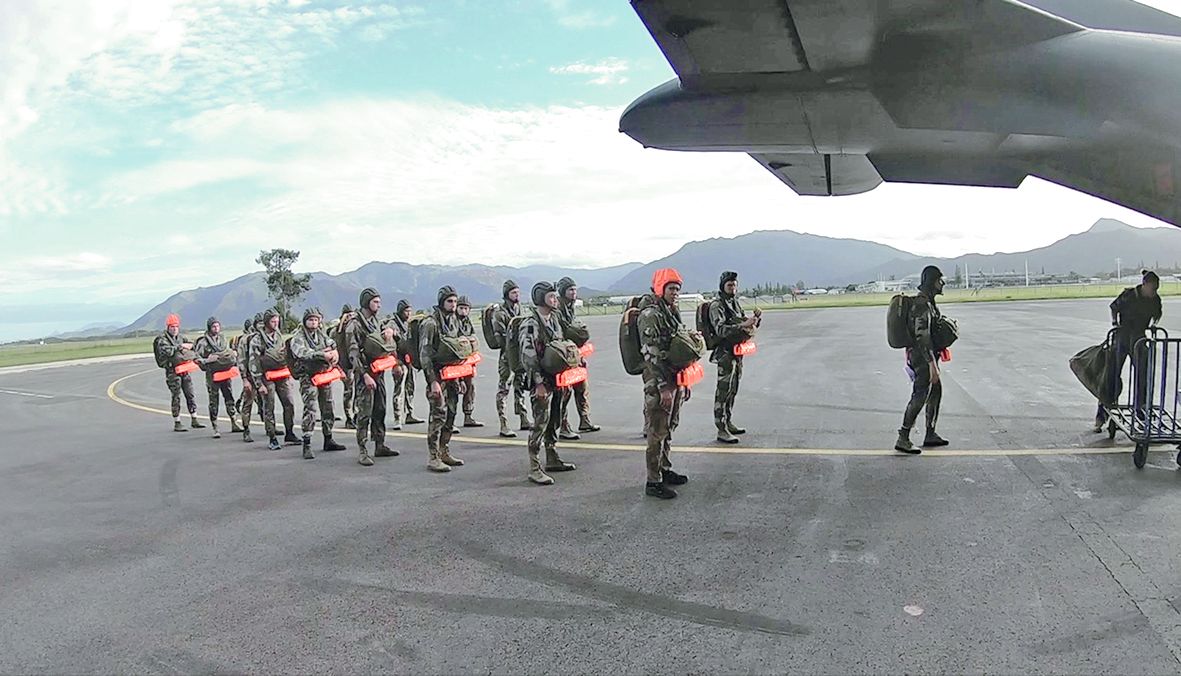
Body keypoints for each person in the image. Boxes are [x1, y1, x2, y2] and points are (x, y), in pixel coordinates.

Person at [639, 269, 690, 499]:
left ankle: (664, 468)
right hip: (658, 380)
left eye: (677, 289)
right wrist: (662, 387)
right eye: (671, 289)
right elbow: (651, 354)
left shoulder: (671, 312)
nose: (675, 293)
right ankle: (653, 481)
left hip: (673, 377)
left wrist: (683, 380)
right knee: (657, 430)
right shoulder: (651, 315)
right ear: (660, 289)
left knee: (669, 426)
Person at [520, 281, 577, 485]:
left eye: (555, 296)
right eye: (551, 296)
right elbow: (528, 356)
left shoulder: (554, 319)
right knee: (539, 423)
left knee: (555, 418)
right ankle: (535, 467)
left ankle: (552, 456)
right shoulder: (531, 323)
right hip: (542, 380)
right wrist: (538, 384)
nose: (555, 299)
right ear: (540, 298)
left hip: (558, 379)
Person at [1095, 269, 1163, 430]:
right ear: (1145, 284)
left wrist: (1153, 325)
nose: (1154, 292)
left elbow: (1158, 314)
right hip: (1122, 337)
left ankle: (1140, 409)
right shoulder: (1128, 295)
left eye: (1156, 289)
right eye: (1152, 288)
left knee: (1143, 375)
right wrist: (1114, 323)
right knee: (1111, 375)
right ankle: (1102, 413)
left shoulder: (1155, 300)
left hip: (1139, 337)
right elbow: (1113, 307)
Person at [895, 265, 948, 454]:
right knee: (921, 393)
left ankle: (930, 433)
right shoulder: (922, 304)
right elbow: (921, 336)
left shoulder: (929, 302)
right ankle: (903, 436)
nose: (942, 284)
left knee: (936, 390)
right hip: (922, 356)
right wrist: (931, 363)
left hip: (928, 354)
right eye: (940, 280)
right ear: (932, 282)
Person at [348, 287, 400, 466]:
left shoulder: (377, 322)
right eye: (375, 301)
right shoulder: (354, 325)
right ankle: (362, 450)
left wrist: (394, 362)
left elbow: (387, 344)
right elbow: (353, 354)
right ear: (366, 302)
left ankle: (380, 444)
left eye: (379, 301)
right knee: (364, 413)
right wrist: (364, 376)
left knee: (380, 409)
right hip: (365, 375)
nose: (379, 304)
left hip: (379, 372)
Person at [420, 286, 468, 473]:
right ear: (442, 302)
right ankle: (433, 456)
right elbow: (425, 355)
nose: (454, 305)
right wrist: (432, 381)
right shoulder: (430, 324)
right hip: (437, 376)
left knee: (451, 414)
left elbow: (459, 351)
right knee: (437, 416)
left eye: (455, 301)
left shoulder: (454, 321)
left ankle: (444, 450)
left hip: (452, 375)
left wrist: (460, 377)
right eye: (450, 301)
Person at [289, 307, 347, 459]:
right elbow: (301, 352)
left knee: (328, 406)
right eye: (310, 320)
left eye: (316, 320)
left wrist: (333, 352)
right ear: (305, 321)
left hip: (324, 375)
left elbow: (332, 344)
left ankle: (328, 438)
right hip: (308, 377)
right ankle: (307, 443)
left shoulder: (321, 334)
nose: (313, 323)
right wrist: (322, 353)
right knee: (311, 409)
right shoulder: (299, 336)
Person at [710, 271, 761, 444]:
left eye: (734, 284)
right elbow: (721, 330)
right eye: (729, 285)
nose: (733, 288)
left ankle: (728, 420)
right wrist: (743, 324)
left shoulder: (734, 303)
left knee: (733, 388)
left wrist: (754, 320)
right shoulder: (717, 306)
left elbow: (742, 321)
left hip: (737, 352)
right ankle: (721, 428)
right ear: (723, 286)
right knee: (723, 390)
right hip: (725, 353)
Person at [555, 276, 599, 440]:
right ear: (563, 292)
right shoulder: (558, 310)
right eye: (570, 290)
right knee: (564, 392)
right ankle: (564, 425)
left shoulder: (569, 308)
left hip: (575, 354)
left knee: (581, 387)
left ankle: (584, 420)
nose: (574, 293)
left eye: (575, 289)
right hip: (565, 355)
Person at [249, 308, 299, 451]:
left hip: (282, 375)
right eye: (273, 321)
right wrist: (259, 384)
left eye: (277, 320)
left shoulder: (278, 336)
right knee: (269, 407)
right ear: (266, 322)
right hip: (266, 377)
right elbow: (254, 362)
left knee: (289, 403)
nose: (276, 323)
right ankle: (272, 437)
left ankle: (289, 432)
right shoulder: (257, 340)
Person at [193, 316, 244, 439]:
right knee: (213, 401)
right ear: (209, 328)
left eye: (217, 326)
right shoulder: (203, 342)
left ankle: (234, 422)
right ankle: (215, 426)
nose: (216, 328)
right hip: (212, 375)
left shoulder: (222, 340)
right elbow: (196, 358)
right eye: (213, 326)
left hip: (225, 373)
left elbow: (226, 351)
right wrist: (207, 360)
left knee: (229, 397)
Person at [154, 313, 205, 433]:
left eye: (176, 327)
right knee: (176, 396)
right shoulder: (162, 340)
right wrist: (180, 347)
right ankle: (177, 421)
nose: (175, 329)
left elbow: (192, 345)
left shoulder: (181, 338)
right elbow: (167, 351)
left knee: (190, 394)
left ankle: (194, 418)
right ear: (168, 327)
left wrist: (191, 346)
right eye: (172, 327)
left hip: (184, 370)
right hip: (172, 371)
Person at [495, 280, 533, 437]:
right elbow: (499, 338)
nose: (516, 295)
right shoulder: (500, 313)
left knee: (520, 387)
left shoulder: (520, 309)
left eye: (517, 292)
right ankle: (503, 423)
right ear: (506, 295)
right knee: (504, 389)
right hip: (507, 357)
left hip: (519, 355)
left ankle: (524, 418)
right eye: (513, 293)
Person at [389, 299, 423, 428]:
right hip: (399, 361)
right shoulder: (393, 324)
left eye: (409, 311)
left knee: (410, 387)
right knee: (399, 389)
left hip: (410, 360)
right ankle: (398, 417)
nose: (408, 313)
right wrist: (395, 362)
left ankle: (410, 413)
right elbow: (390, 345)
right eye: (406, 311)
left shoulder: (409, 324)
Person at [456, 296, 485, 429]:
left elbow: (473, 337)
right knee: (454, 389)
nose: (463, 311)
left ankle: (468, 415)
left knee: (470, 388)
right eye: (461, 308)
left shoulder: (467, 322)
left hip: (467, 361)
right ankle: (449, 420)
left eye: (466, 308)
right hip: (455, 362)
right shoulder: (453, 322)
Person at [236, 314, 263, 443]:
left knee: (267, 404)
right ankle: (246, 429)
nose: (262, 326)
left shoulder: (268, 337)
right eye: (260, 323)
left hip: (264, 376)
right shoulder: (246, 340)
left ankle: (271, 428)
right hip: (250, 376)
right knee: (248, 403)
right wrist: (244, 378)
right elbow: (241, 359)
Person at [333, 304, 357, 429]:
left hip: (355, 365)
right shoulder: (337, 331)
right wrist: (337, 368)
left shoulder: (355, 328)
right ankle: (349, 417)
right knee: (348, 392)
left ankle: (356, 415)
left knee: (357, 392)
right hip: (344, 366)